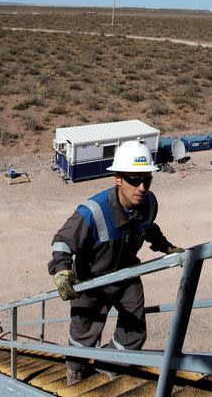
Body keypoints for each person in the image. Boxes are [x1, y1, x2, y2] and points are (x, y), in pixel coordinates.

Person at [47, 140, 184, 385]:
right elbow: (63, 240)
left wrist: (166, 247)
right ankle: (76, 369)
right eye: (134, 179)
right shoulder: (93, 211)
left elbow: (148, 229)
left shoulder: (149, 203)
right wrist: (62, 271)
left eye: (147, 179)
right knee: (85, 331)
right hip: (91, 280)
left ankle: (110, 365)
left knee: (135, 329)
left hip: (126, 275)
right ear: (118, 179)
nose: (142, 187)